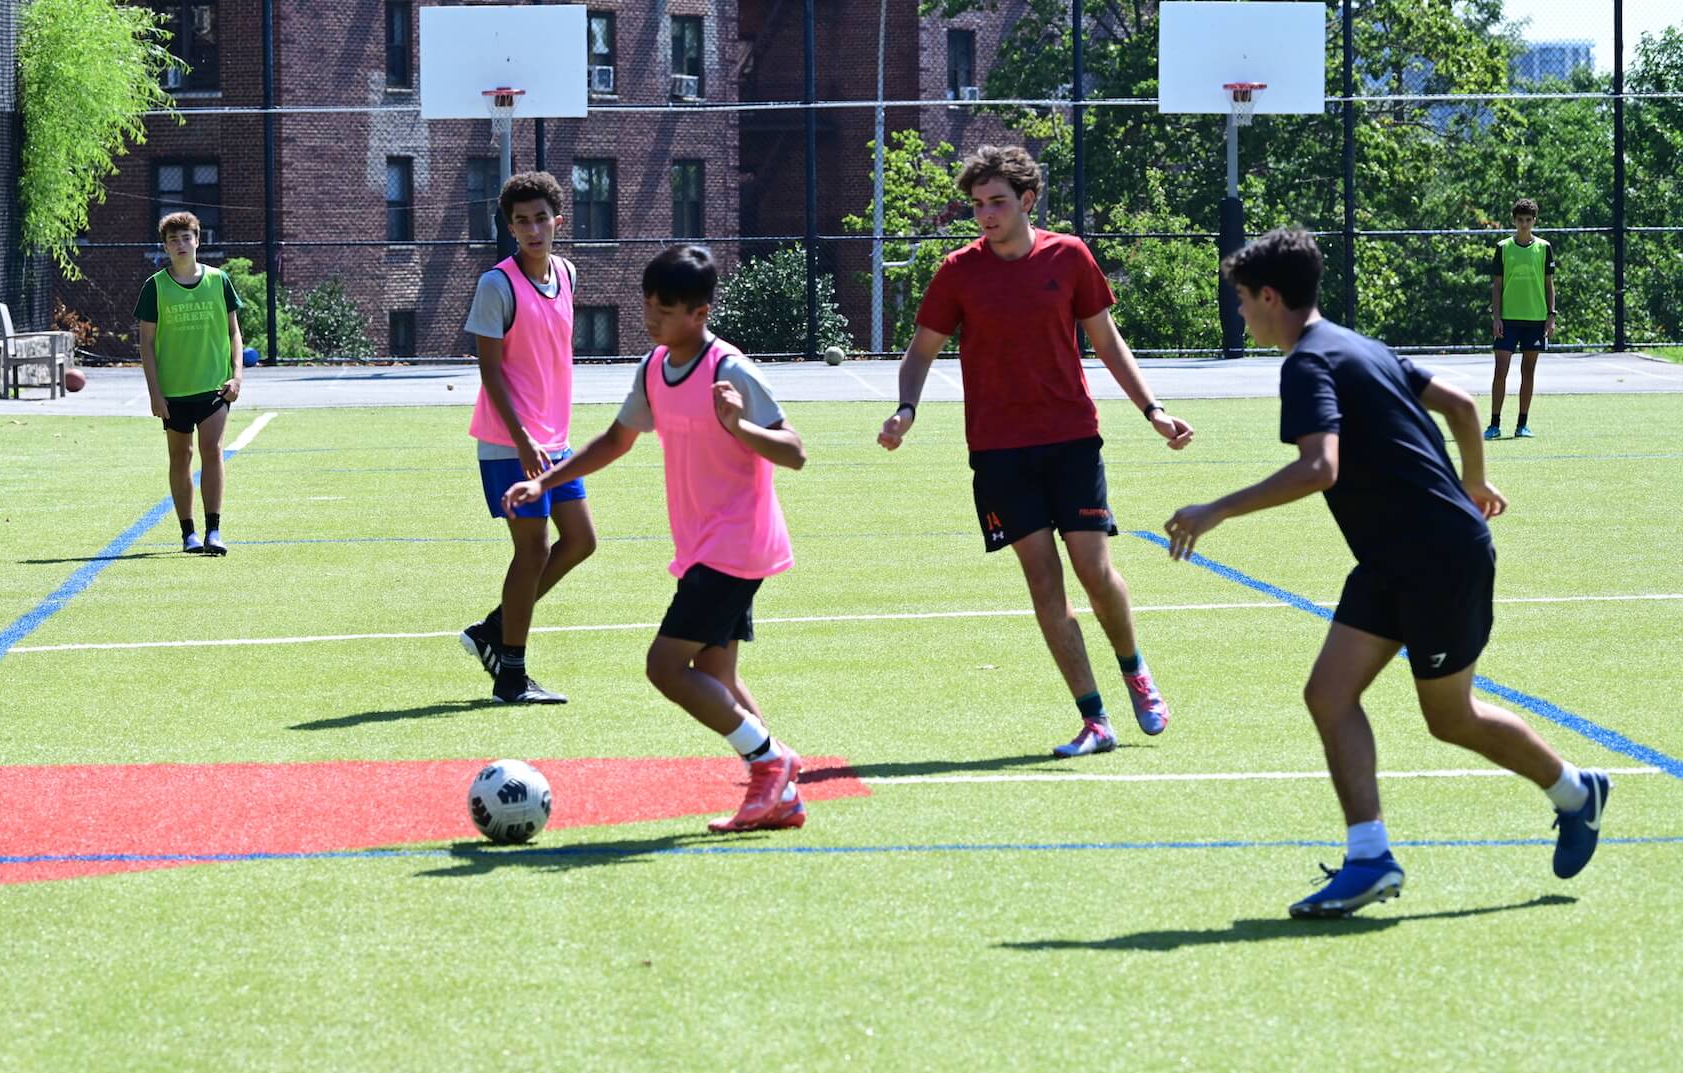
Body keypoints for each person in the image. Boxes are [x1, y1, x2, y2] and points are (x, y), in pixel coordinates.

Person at [1164, 226, 1609, 919]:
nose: (1241, 312)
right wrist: (1473, 481)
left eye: (1243, 300)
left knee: (1450, 718)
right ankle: (1369, 857)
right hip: (1394, 558)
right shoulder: (1358, 344)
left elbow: (1321, 467)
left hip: (1437, 559)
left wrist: (1216, 509)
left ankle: (1576, 792)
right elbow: (1461, 406)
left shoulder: (1308, 364)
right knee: (1328, 694)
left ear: (1272, 296)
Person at [879, 144, 1194, 758]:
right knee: (1044, 586)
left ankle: (1135, 671)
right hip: (998, 452)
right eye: (977, 205)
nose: (986, 215)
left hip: (1072, 440)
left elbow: (1106, 341)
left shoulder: (1068, 257)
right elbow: (921, 351)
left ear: (1027, 200)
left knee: (1094, 571)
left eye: (997, 202)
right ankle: (1094, 720)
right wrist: (906, 410)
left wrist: (1154, 411)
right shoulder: (957, 272)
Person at [504, 245, 809, 834]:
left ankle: (771, 762)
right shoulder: (653, 367)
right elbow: (616, 441)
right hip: (702, 545)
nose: (651, 317)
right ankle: (779, 791)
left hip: (737, 544)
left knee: (666, 666)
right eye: (647, 304)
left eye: (664, 309)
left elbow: (794, 452)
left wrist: (739, 425)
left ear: (699, 312)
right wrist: (543, 478)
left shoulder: (729, 369)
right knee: (716, 674)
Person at [457, 171, 597, 705]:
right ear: (509, 227)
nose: (533, 229)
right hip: (507, 442)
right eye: (522, 221)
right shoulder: (497, 284)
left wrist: (545, 439)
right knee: (534, 549)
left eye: (541, 218)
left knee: (581, 541)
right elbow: (490, 374)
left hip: (554, 440)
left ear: (558, 221)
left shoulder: (567, 272)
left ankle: (495, 629)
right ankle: (511, 676)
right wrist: (522, 441)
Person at [136, 211, 244, 556]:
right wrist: (155, 394)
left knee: (212, 450)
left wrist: (237, 375)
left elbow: (234, 332)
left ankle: (214, 530)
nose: (180, 245)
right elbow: (146, 345)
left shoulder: (219, 280)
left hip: (214, 386)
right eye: (173, 240)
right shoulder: (155, 287)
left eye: (186, 238)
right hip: (174, 391)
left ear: (198, 241)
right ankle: (188, 533)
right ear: (165, 247)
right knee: (181, 456)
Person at [1487, 197, 1556, 439]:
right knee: (1501, 371)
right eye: (1520, 220)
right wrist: (1496, 317)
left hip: (1535, 319)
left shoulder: (1544, 248)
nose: (1524, 225)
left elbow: (1549, 285)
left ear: (1534, 221)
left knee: (1528, 371)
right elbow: (1497, 286)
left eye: (1528, 220)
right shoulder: (1503, 247)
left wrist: (1551, 315)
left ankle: (1522, 424)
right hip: (1508, 319)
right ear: (1514, 221)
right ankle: (1494, 424)